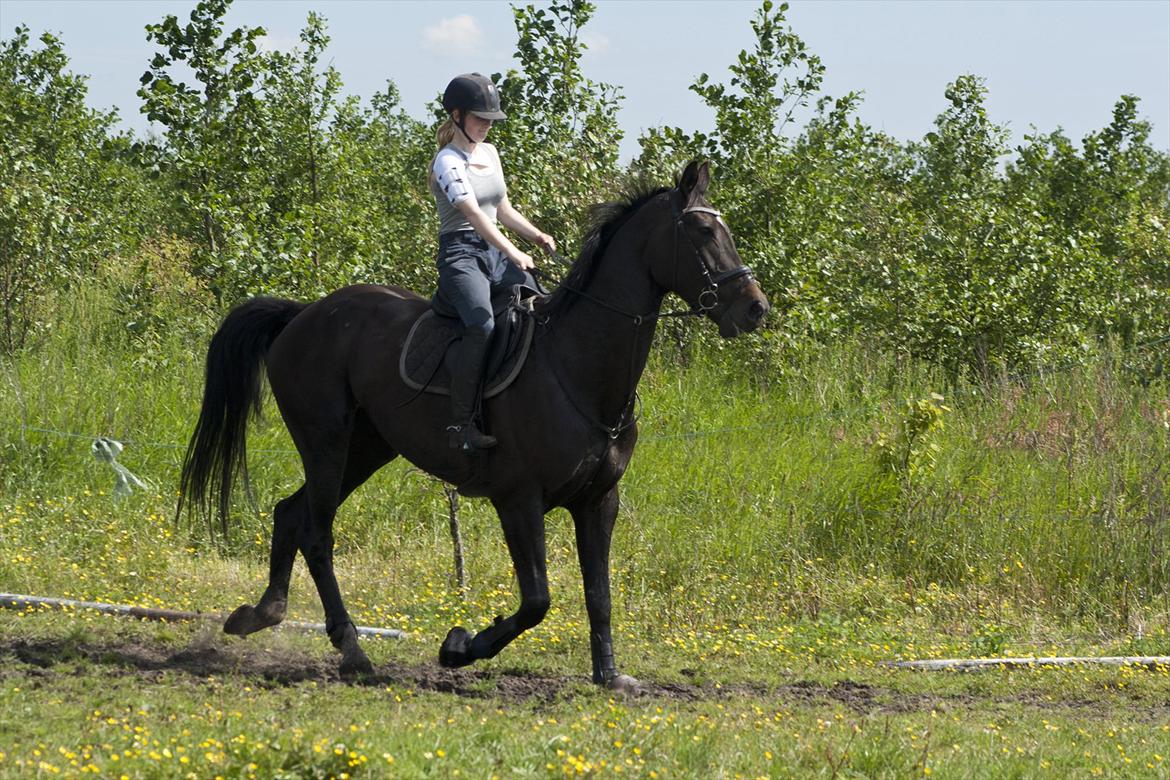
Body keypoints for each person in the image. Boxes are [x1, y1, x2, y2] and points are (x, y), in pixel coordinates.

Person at [429, 73, 556, 451]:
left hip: (495, 251)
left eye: (490, 119)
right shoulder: (447, 161)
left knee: (542, 306)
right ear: (456, 116)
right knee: (482, 325)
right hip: (461, 254)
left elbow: (501, 208)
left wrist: (535, 234)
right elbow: (474, 216)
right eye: (479, 118)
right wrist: (514, 251)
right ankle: (461, 425)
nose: (486, 125)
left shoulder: (490, 154)